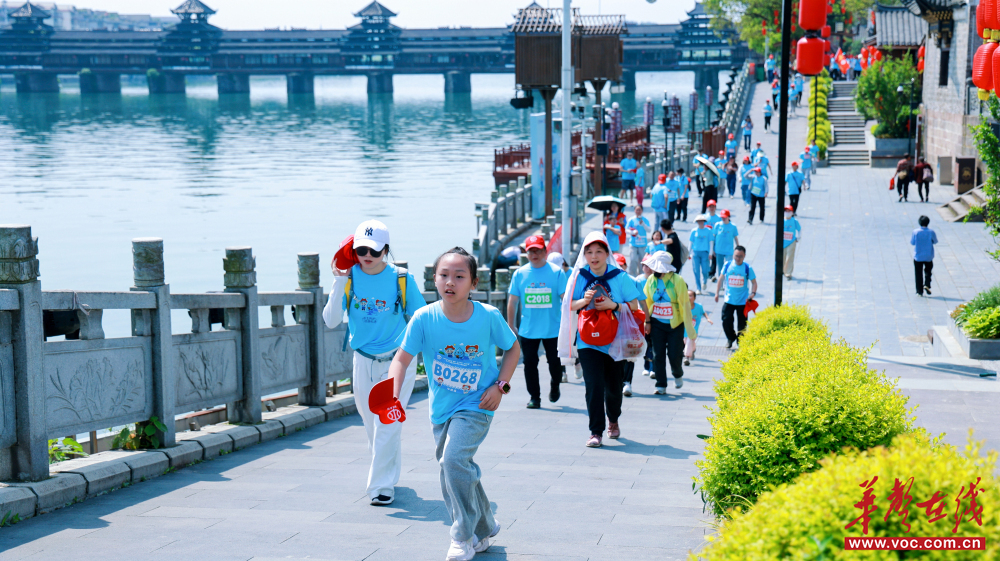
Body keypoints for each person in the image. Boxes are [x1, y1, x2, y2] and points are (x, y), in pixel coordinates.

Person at [390, 247, 519, 560]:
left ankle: (462, 536)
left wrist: (500, 387)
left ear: (473, 283)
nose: (450, 282)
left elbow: (513, 349)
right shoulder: (424, 318)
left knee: (452, 461)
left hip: (478, 404)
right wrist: (392, 397)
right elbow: (401, 359)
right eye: (444, 275)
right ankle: (485, 526)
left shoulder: (488, 316)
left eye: (459, 276)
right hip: (441, 409)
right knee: (455, 467)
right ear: (434, 279)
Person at [323, 220, 427, 507]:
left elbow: (421, 318)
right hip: (363, 360)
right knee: (372, 425)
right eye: (361, 250)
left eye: (375, 250)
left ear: (386, 250)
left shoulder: (401, 279)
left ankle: (380, 487)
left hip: (397, 362)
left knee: (387, 422)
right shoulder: (349, 279)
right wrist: (339, 281)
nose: (367, 255)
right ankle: (387, 473)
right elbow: (331, 320)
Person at [569, 232, 643, 447]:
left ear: (607, 253)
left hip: (615, 340)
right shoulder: (579, 276)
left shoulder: (620, 276)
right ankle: (596, 432)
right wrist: (584, 301)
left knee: (613, 388)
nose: (594, 256)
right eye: (589, 252)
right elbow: (569, 305)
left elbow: (635, 305)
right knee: (593, 385)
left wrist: (614, 305)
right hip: (587, 340)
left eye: (599, 252)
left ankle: (613, 418)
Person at [507, 235, 567, 409]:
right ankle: (535, 397)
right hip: (528, 329)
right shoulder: (520, 274)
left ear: (545, 251)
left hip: (553, 328)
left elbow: (565, 299)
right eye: (531, 251)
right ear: (526, 253)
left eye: (538, 250)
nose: (534, 254)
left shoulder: (557, 272)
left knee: (555, 363)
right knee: (530, 364)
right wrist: (511, 325)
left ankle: (555, 384)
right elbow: (513, 301)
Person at [643, 251, 696, 394]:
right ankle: (661, 385)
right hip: (656, 323)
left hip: (675, 324)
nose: (652, 269)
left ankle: (677, 374)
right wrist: (646, 322)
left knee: (674, 355)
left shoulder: (677, 280)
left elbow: (685, 304)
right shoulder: (651, 280)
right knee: (657, 355)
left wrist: (690, 331)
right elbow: (646, 302)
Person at [714, 246, 757, 349]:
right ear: (733, 255)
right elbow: (720, 279)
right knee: (726, 320)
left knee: (742, 324)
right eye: (736, 256)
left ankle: (740, 341)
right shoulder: (727, 265)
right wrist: (717, 293)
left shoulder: (747, 268)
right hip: (729, 300)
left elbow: (754, 282)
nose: (738, 258)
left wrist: (753, 293)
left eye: (740, 256)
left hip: (742, 301)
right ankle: (731, 338)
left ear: (744, 256)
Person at [911, 215, 938, 296]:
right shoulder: (931, 232)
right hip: (928, 255)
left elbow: (912, 242)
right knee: (928, 270)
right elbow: (935, 241)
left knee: (918, 273)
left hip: (918, 256)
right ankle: (927, 284)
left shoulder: (916, 232)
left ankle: (919, 291)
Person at [683, 289, 712, 366]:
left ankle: (686, 358)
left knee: (689, 342)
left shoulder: (699, 307)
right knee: (686, 342)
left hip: (694, 330)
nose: (688, 297)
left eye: (690, 296)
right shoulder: (683, 306)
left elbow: (703, 312)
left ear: (694, 298)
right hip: (685, 330)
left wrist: (708, 319)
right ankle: (693, 349)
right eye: (687, 296)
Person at [710, 209, 739, 283]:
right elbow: (713, 237)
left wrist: (738, 248)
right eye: (722, 217)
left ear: (728, 217)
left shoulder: (733, 226)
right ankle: (721, 284)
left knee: (729, 267)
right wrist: (712, 249)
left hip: (729, 251)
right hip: (718, 250)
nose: (723, 218)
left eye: (725, 217)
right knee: (720, 268)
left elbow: (735, 238)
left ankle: (728, 283)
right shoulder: (717, 225)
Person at [689, 214, 713, 294]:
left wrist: (710, 253)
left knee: (705, 270)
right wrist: (689, 253)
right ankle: (698, 288)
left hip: (705, 253)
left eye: (701, 221)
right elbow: (691, 242)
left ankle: (704, 281)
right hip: (695, 253)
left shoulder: (708, 231)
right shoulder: (694, 231)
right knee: (696, 271)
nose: (700, 222)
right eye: (698, 221)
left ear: (704, 222)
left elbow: (711, 242)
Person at [625, 205, 651, 275]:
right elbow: (626, 230)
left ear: (642, 211)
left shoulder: (645, 219)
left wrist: (643, 224)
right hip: (633, 244)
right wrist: (633, 232)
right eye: (637, 210)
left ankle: (642, 276)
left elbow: (649, 230)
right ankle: (632, 276)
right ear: (634, 211)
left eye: (639, 210)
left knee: (642, 262)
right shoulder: (631, 219)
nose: (638, 211)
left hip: (643, 244)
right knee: (633, 260)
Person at [782, 205, 802, 279]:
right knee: (782, 257)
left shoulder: (794, 221)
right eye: (786, 211)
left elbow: (799, 229)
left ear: (792, 212)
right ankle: (782, 270)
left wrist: (798, 237)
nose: (787, 212)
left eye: (789, 211)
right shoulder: (781, 220)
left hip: (791, 242)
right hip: (782, 242)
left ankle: (788, 272)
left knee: (789, 257)